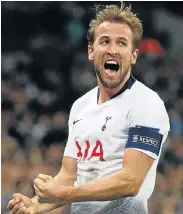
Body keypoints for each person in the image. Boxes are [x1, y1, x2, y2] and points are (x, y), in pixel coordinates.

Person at [8, 3, 170, 214]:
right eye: (105, 41)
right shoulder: (80, 107)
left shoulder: (147, 103)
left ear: (133, 55)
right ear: (91, 52)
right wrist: (35, 204)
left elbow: (130, 182)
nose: (112, 49)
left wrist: (62, 194)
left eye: (122, 43)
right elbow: (69, 176)